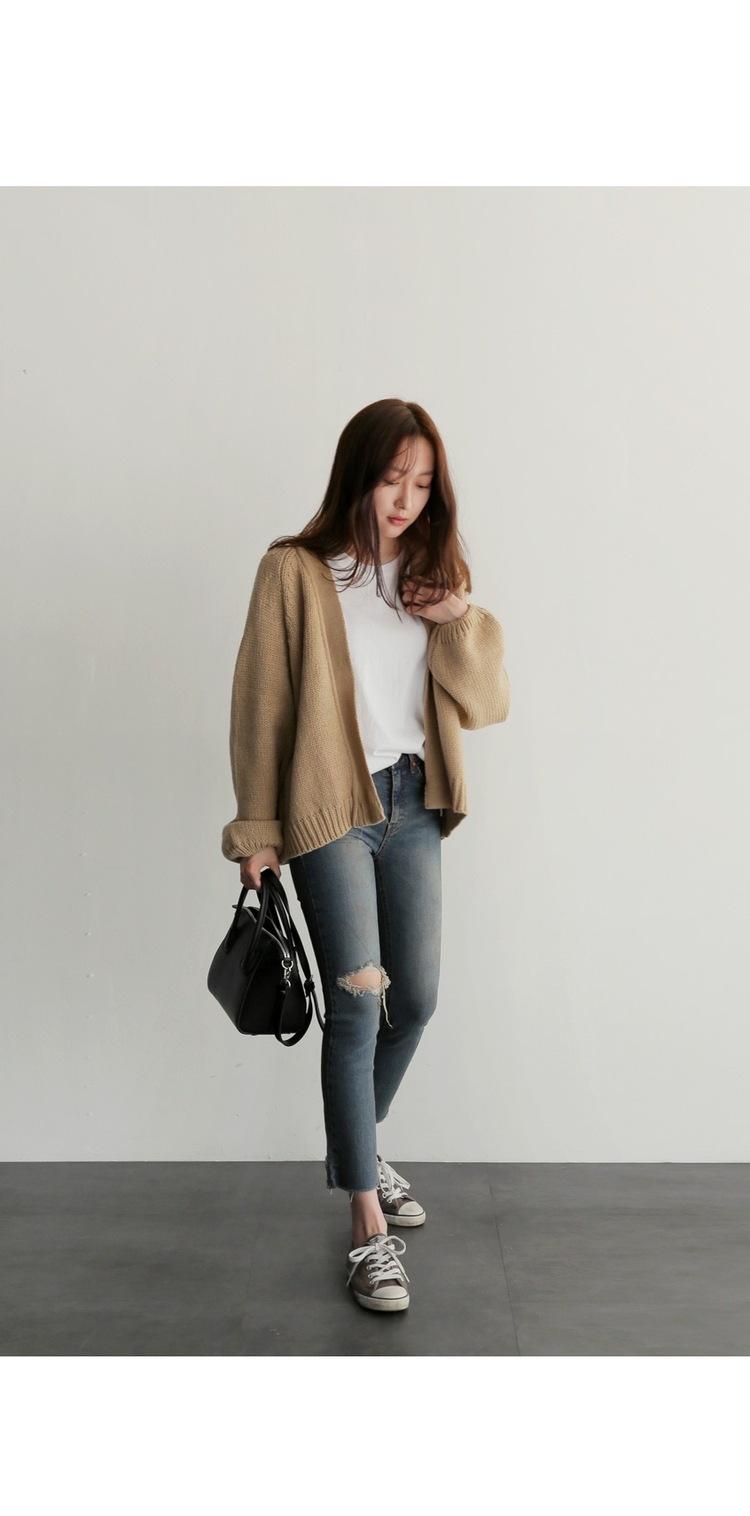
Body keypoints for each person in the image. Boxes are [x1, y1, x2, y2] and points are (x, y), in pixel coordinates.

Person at [221, 397, 510, 1313]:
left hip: (413, 804)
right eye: (392, 479)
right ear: (357, 474)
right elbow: (261, 707)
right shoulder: (294, 572)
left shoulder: (431, 575)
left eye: (422, 484)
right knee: (357, 1007)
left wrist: (457, 614)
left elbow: (488, 701)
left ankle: (360, 1147)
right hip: (328, 811)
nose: (405, 499)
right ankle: (365, 1227)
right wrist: (256, 832)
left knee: (413, 1000)